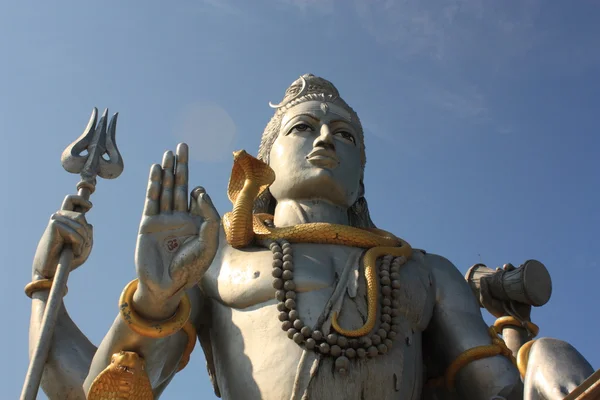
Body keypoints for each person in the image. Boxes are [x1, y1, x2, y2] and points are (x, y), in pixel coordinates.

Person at [28, 74, 595, 399]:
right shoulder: (217, 258)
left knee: (551, 353)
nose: (326, 139)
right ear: (265, 156)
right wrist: (60, 286)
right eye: (304, 127)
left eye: (345, 134)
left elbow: (492, 391)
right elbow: (89, 389)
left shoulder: (424, 272)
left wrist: (538, 356)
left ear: (360, 171)